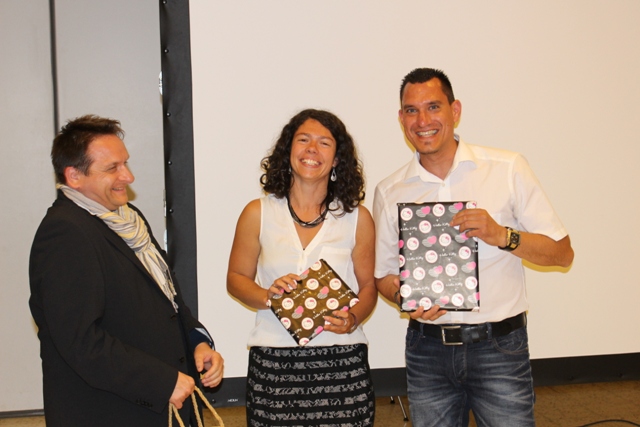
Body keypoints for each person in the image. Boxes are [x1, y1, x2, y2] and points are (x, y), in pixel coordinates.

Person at [373, 68, 574, 427]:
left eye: (433, 107)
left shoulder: (507, 168)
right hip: (427, 350)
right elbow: (383, 275)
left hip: (499, 347)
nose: (423, 121)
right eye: (411, 110)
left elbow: (562, 252)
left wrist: (503, 235)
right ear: (401, 118)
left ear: (455, 110)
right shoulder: (390, 191)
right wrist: (404, 296)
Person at [29, 115, 224, 426]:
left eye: (125, 163)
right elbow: (80, 341)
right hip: (110, 412)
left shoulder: (128, 219)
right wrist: (162, 382)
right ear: (74, 176)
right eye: (112, 168)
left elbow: (166, 299)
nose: (128, 176)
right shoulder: (64, 234)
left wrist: (196, 341)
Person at [227, 109, 377, 426]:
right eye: (303, 140)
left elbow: (368, 288)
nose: (312, 149)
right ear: (288, 150)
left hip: (342, 362)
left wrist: (352, 319)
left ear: (337, 159)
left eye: (324, 143)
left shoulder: (357, 218)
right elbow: (236, 279)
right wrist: (268, 296)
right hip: (273, 363)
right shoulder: (257, 213)